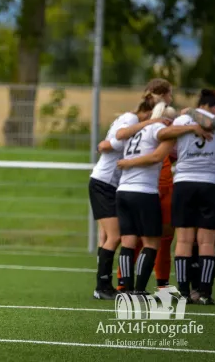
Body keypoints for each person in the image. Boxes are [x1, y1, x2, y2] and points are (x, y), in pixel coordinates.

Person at [90, 92, 167, 300]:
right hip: (104, 183)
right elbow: (108, 144)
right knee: (115, 237)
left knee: (115, 237)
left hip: (116, 185)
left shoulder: (137, 125)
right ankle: (102, 286)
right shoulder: (133, 120)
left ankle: (111, 285)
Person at [161, 89, 215, 304]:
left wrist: (188, 114)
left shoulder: (184, 118)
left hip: (184, 181)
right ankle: (205, 293)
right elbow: (213, 124)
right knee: (207, 242)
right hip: (211, 182)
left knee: (184, 240)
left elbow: (164, 136)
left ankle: (184, 293)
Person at [114, 103, 178, 293]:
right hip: (144, 191)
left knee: (128, 241)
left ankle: (125, 287)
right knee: (151, 243)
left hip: (123, 190)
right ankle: (139, 289)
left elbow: (119, 136)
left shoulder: (135, 131)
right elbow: (156, 157)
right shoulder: (159, 130)